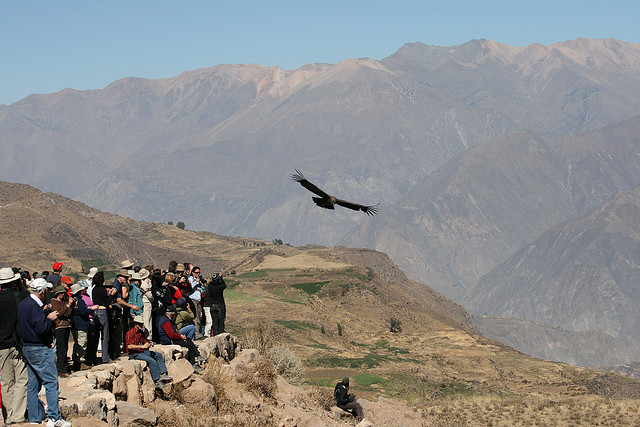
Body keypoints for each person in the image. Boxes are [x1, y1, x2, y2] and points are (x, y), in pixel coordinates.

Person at [18, 278, 72, 427]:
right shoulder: (35, 306)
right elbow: (41, 328)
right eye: (46, 291)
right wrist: (49, 319)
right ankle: (54, 418)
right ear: (42, 291)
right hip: (39, 347)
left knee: (33, 384)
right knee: (52, 382)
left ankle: (34, 418)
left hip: (27, 347)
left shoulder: (23, 304)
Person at [0, 267, 28, 425]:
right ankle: (19, 415)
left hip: (1, 345)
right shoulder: (20, 296)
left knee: (6, 381)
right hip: (18, 343)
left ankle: (9, 415)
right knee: (22, 379)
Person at [125, 315, 172, 389]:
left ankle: (163, 374)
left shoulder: (140, 332)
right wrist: (142, 346)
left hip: (141, 351)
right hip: (134, 354)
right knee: (152, 361)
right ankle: (157, 380)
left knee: (158, 355)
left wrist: (149, 343)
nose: (141, 325)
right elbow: (129, 346)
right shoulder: (130, 333)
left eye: (141, 324)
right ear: (135, 324)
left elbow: (144, 340)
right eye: (139, 324)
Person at [156, 306, 202, 371]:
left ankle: (197, 355)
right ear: (172, 313)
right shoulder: (166, 322)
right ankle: (193, 364)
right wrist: (180, 337)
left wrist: (181, 336)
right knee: (188, 346)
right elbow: (171, 335)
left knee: (188, 339)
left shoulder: (168, 320)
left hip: (173, 338)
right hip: (169, 341)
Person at [71, 281, 98, 370]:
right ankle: (81, 362)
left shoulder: (73, 299)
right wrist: (90, 309)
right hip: (81, 324)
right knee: (82, 343)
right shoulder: (79, 300)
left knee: (77, 343)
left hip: (75, 323)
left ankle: (76, 361)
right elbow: (83, 311)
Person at [49, 285, 74, 377]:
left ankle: (64, 366)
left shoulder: (63, 302)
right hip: (59, 326)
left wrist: (70, 306)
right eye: (61, 293)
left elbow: (67, 313)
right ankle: (61, 369)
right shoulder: (53, 302)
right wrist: (67, 305)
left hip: (66, 325)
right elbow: (59, 313)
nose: (63, 295)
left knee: (65, 347)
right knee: (61, 348)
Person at [91, 271, 115, 363]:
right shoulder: (102, 290)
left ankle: (93, 358)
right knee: (105, 335)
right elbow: (106, 302)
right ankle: (105, 357)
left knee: (96, 335)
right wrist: (111, 295)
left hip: (96, 311)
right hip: (103, 311)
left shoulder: (94, 290)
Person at [188, 266, 205, 339]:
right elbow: (190, 288)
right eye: (196, 273)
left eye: (199, 273)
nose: (197, 274)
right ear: (192, 273)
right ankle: (196, 334)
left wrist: (202, 285)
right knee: (195, 318)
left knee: (199, 317)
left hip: (198, 300)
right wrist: (195, 282)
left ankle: (198, 333)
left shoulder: (199, 281)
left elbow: (203, 291)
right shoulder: (190, 279)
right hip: (192, 300)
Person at [139, 268, 154, 336]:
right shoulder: (144, 284)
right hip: (146, 303)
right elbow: (149, 295)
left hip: (144, 302)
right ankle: (148, 336)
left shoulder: (142, 283)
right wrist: (153, 300)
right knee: (147, 320)